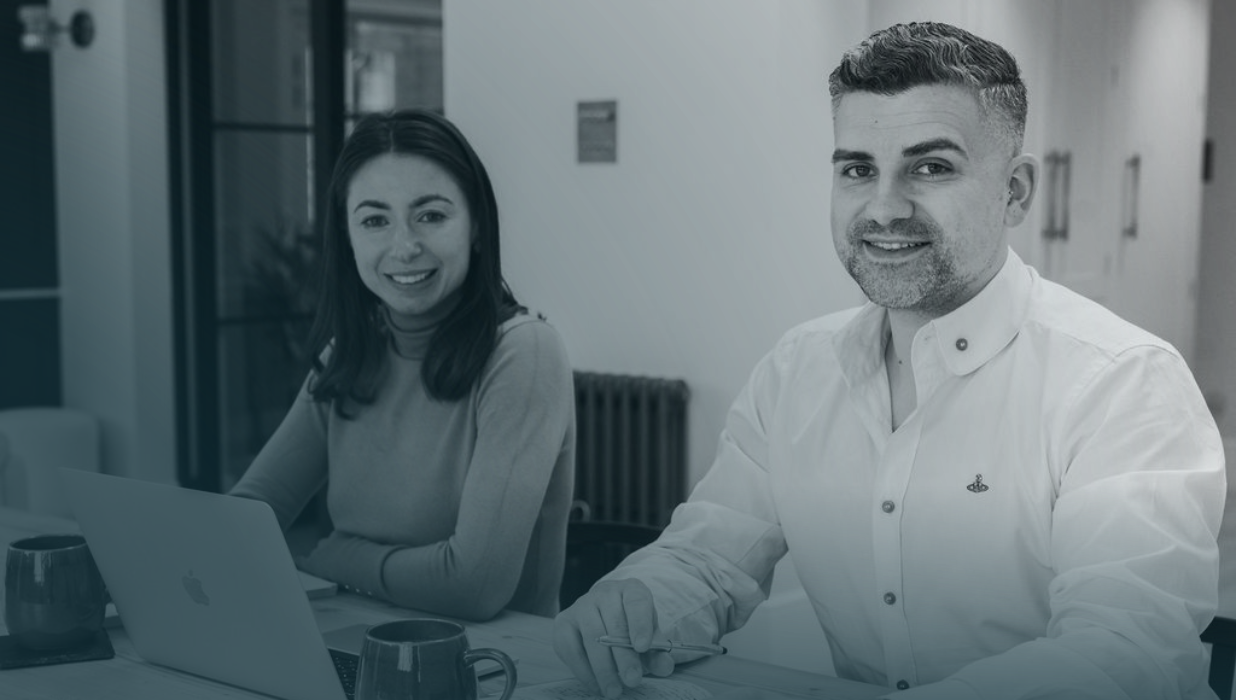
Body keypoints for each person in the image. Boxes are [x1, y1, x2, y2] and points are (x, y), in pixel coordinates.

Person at [554, 21, 1225, 700]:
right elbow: (707, 559)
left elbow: (1121, 654)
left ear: (1016, 191)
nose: (883, 207)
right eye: (858, 169)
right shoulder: (796, 371)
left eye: (931, 167)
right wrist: (634, 603)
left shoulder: (1122, 380)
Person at [231, 109, 576, 621]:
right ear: (348, 239)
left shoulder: (524, 353)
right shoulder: (349, 352)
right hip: (352, 640)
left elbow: (474, 585)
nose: (405, 246)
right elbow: (248, 514)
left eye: (431, 215)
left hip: (490, 667)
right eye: (375, 220)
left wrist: (339, 555)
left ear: (476, 225)